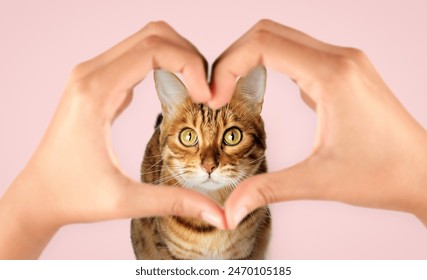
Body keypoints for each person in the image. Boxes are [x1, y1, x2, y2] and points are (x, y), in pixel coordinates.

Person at [0, 20, 426, 259]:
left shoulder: (256, 193)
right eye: (187, 137)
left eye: (232, 136)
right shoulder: (161, 190)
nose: (208, 159)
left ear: (255, 112)